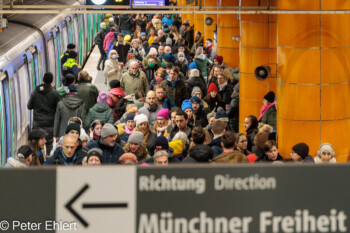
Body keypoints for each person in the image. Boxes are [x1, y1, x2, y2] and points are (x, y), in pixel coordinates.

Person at [27, 72, 59, 154]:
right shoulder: (55, 93)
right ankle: (48, 163)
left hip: (38, 124)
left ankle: (38, 162)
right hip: (50, 124)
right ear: (51, 81)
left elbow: (29, 106)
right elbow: (58, 109)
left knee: (36, 146)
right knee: (49, 144)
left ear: (43, 79)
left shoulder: (36, 91)